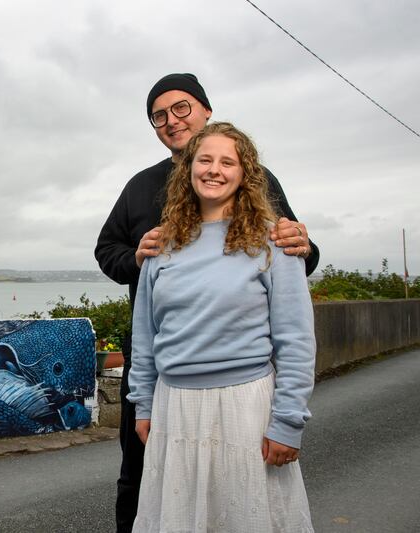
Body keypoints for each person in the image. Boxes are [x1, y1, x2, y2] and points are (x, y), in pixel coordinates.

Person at [94, 73, 319, 533]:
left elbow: (293, 260)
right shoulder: (141, 190)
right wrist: (136, 258)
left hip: (242, 392)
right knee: (142, 486)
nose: (171, 120)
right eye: (159, 115)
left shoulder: (263, 216)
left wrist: (305, 245)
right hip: (163, 381)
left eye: (181, 108)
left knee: (241, 504)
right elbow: (108, 252)